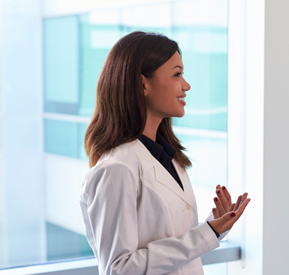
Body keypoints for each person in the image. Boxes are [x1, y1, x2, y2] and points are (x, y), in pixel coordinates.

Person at [80, 31, 250, 275]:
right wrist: (206, 234)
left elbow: (176, 243)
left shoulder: (167, 157)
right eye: (177, 74)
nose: (186, 85)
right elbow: (119, 268)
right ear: (142, 84)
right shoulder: (117, 168)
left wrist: (214, 225)